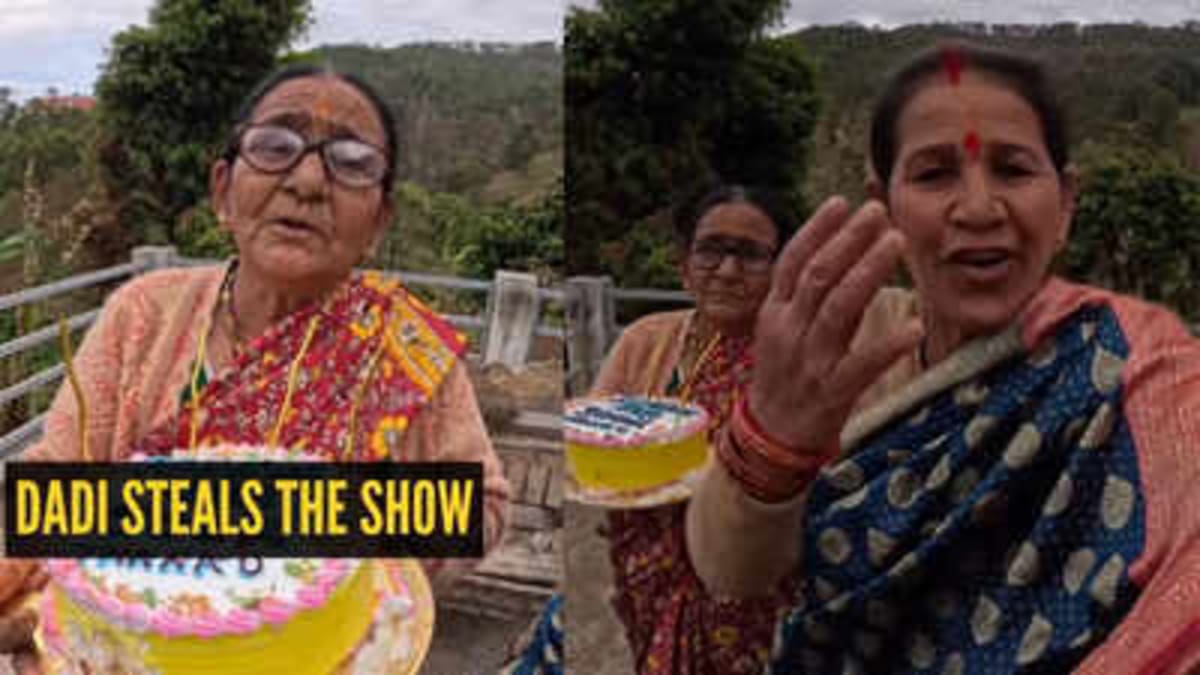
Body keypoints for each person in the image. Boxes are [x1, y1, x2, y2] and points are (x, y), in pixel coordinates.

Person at [688, 42, 1200, 674]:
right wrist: (772, 442)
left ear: (1064, 204)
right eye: (934, 174)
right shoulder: (835, 344)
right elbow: (730, 573)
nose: (980, 209)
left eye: (1013, 170)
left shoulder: (1137, 364)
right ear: (886, 203)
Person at [0, 64, 510, 663]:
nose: (309, 180)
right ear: (223, 190)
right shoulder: (144, 313)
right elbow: (52, 481)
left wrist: (320, 535)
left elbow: (484, 506)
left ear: (378, 221)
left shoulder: (403, 348)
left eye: (351, 161)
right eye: (276, 146)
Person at [588, 185, 914, 673]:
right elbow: (595, 445)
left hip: (768, 592)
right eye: (711, 250)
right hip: (652, 584)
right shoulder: (645, 342)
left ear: (786, 267)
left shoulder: (810, 358)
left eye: (750, 255)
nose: (727, 270)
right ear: (684, 263)